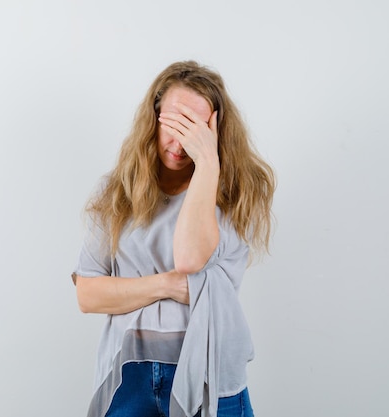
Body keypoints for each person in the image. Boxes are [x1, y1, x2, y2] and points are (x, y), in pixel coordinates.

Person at [72, 60, 275, 417]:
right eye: (174, 123)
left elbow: (188, 258)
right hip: (129, 371)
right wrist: (166, 284)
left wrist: (208, 163)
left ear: (214, 130)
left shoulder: (234, 192)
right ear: (153, 118)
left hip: (209, 372)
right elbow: (88, 295)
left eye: (194, 128)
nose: (181, 142)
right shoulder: (117, 192)